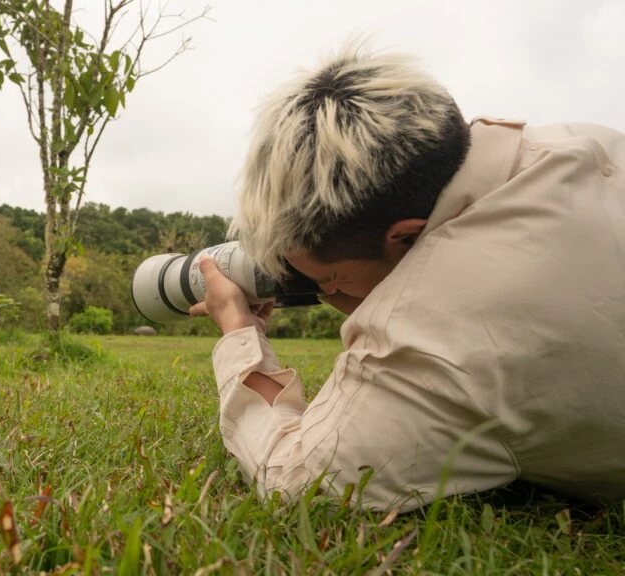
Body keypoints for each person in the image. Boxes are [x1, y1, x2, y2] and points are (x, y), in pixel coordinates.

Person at [189, 41, 625, 511]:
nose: (325, 293)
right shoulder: (582, 140)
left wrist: (238, 329)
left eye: (328, 279)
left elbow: (295, 479)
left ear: (405, 235)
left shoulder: (439, 329)